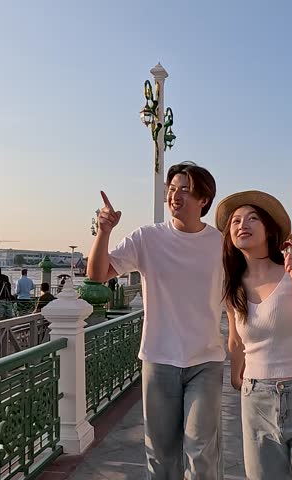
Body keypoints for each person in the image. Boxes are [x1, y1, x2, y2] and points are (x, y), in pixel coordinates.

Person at [88, 162, 224, 480]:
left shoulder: (219, 243)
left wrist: (240, 345)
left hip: (206, 360)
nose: (175, 196)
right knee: (161, 458)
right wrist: (104, 231)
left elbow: (237, 296)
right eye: (171, 189)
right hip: (159, 359)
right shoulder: (147, 238)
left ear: (204, 199)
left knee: (200, 451)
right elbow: (97, 274)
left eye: (185, 190)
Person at [216, 190, 292, 480]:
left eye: (252, 218)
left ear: (269, 230)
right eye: (235, 221)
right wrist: (238, 378)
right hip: (256, 399)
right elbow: (236, 340)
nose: (241, 224)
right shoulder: (233, 287)